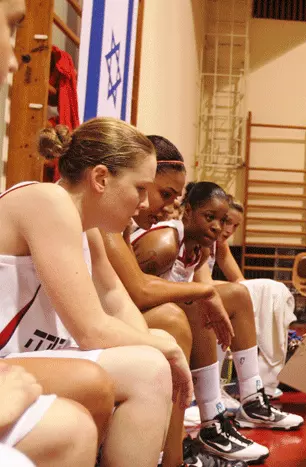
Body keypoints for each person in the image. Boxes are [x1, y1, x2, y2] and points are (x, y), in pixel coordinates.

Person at [0, 117, 194, 467]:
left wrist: (156, 343)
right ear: (101, 178)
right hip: (6, 364)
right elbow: (91, 331)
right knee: (148, 366)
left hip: (20, 357)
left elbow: (116, 301)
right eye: (140, 188)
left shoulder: (87, 227)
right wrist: (164, 349)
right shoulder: (48, 201)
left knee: (152, 358)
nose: (146, 204)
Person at [100, 136, 253, 467]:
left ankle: (224, 413)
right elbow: (137, 290)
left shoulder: (123, 223)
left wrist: (203, 293)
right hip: (61, 336)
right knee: (175, 317)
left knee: (208, 303)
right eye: (160, 193)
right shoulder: (154, 237)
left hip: (91, 323)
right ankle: (175, 454)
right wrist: (204, 292)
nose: (156, 204)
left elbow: (130, 290)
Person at [130, 182, 303, 459]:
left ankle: (252, 399)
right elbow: (132, 294)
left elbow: (204, 287)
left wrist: (208, 297)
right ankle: (211, 421)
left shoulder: (202, 248)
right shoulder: (163, 243)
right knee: (197, 306)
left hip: (166, 314)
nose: (217, 227)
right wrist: (203, 295)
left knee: (237, 294)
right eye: (209, 217)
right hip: (136, 319)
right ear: (187, 212)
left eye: (222, 221)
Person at [208, 194, 296, 397]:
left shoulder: (220, 244)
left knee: (272, 292)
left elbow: (241, 283)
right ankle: (259, 384)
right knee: (272, 290)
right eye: (227, 221)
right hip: (191, 296)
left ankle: (263, 382)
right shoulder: (199, 237)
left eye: (235, 226)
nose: (229, 230)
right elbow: (195, 283)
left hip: (209, 292)